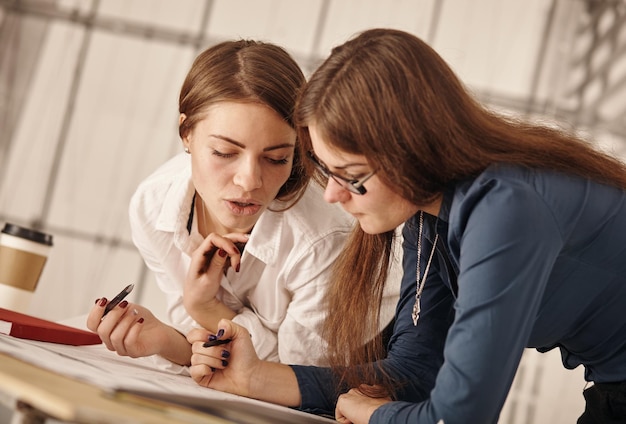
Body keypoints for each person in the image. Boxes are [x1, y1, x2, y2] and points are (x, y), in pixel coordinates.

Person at [185, 28, 626, 424]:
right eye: (328, 172)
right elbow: (414, 372)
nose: (333, 196)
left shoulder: (505, 209)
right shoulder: (431, 220)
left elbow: (460, 415)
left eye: (352, 177)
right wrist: (253, 378)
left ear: (410, 152)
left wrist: (380, 417)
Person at [85, 39, 398, 370]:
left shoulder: (323, 239)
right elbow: (203, 347)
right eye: (224, 153)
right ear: (186, 133)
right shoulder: (153, 207)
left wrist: (205, 308)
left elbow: (296, 381)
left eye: (277, 158)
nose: (249, 181)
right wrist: (163, 340)